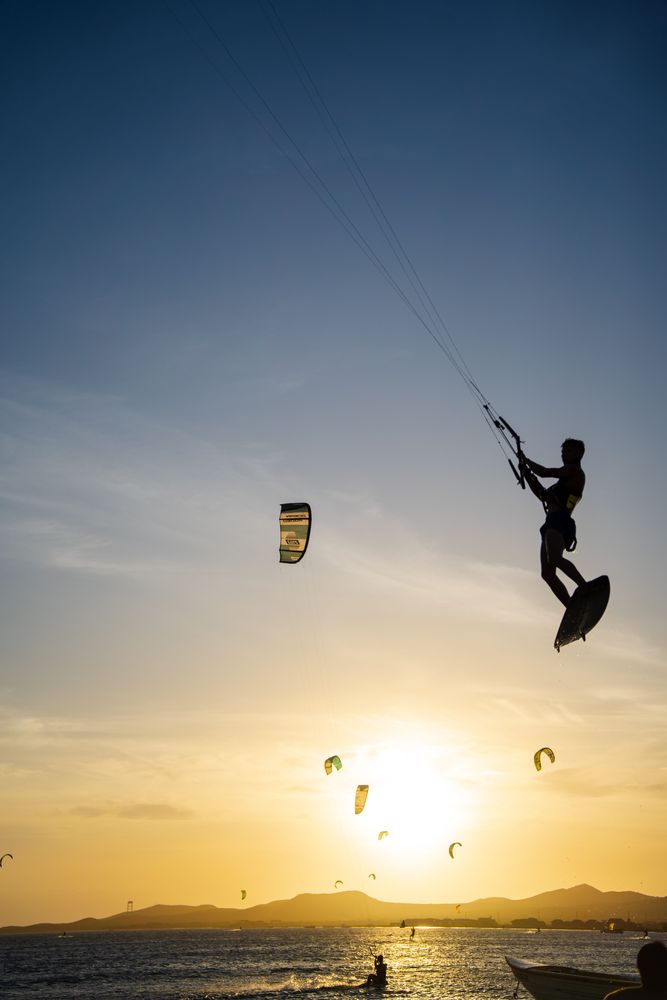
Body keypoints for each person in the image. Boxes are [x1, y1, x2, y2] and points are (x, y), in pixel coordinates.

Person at [520, 439, 586, 608]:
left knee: (555, 558)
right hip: (551, 522)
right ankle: (571, 607)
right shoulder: (561, 483)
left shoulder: (575, 471)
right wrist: (527, 474)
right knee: (547, 574)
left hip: (560, 521)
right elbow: (542, 495)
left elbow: (544, 472)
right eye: (563, 452)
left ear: (579, 454)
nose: (564, 454)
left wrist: (526, 460)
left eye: (568, 451)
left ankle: (584, 587)